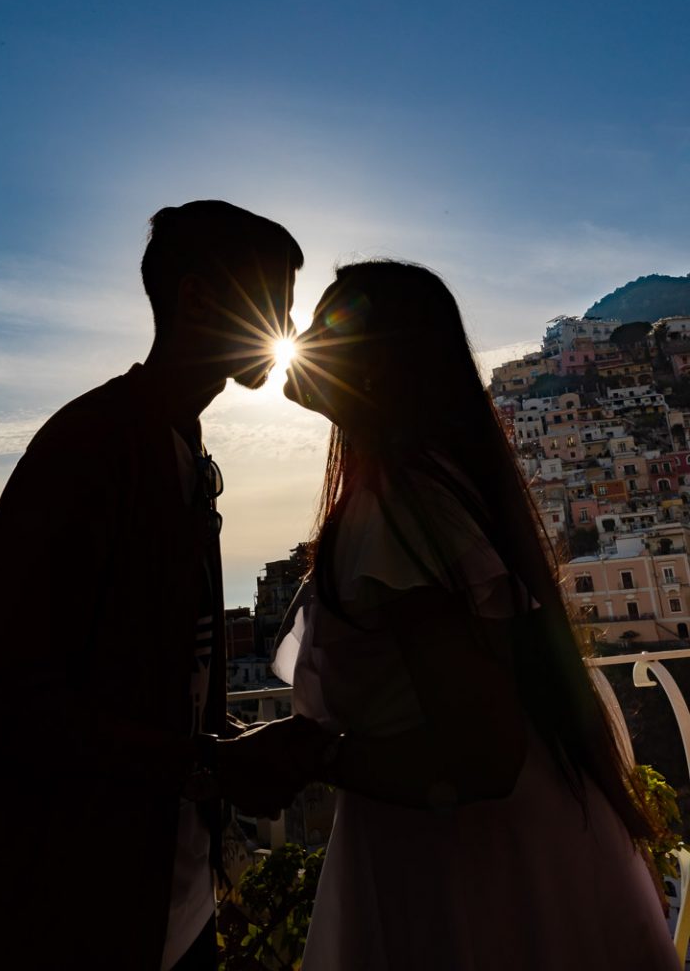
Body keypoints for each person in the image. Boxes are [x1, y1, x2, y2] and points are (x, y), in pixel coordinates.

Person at [0, 201, 328, 971]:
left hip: (165, 908)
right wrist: (208, 765)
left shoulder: (179, 449)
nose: (288, 321)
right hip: (70, 915)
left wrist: (223, 748)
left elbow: (145, 681)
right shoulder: (92, 448)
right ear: (196, 297)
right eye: (273, 297)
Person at [274, 260, 679, 971]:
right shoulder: (424, 490)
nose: (302, 338)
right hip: (502, 854)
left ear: (376, 364)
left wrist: (311, 756)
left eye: (326, 325)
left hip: (462, 875)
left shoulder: (403, 508)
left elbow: (479, 755)